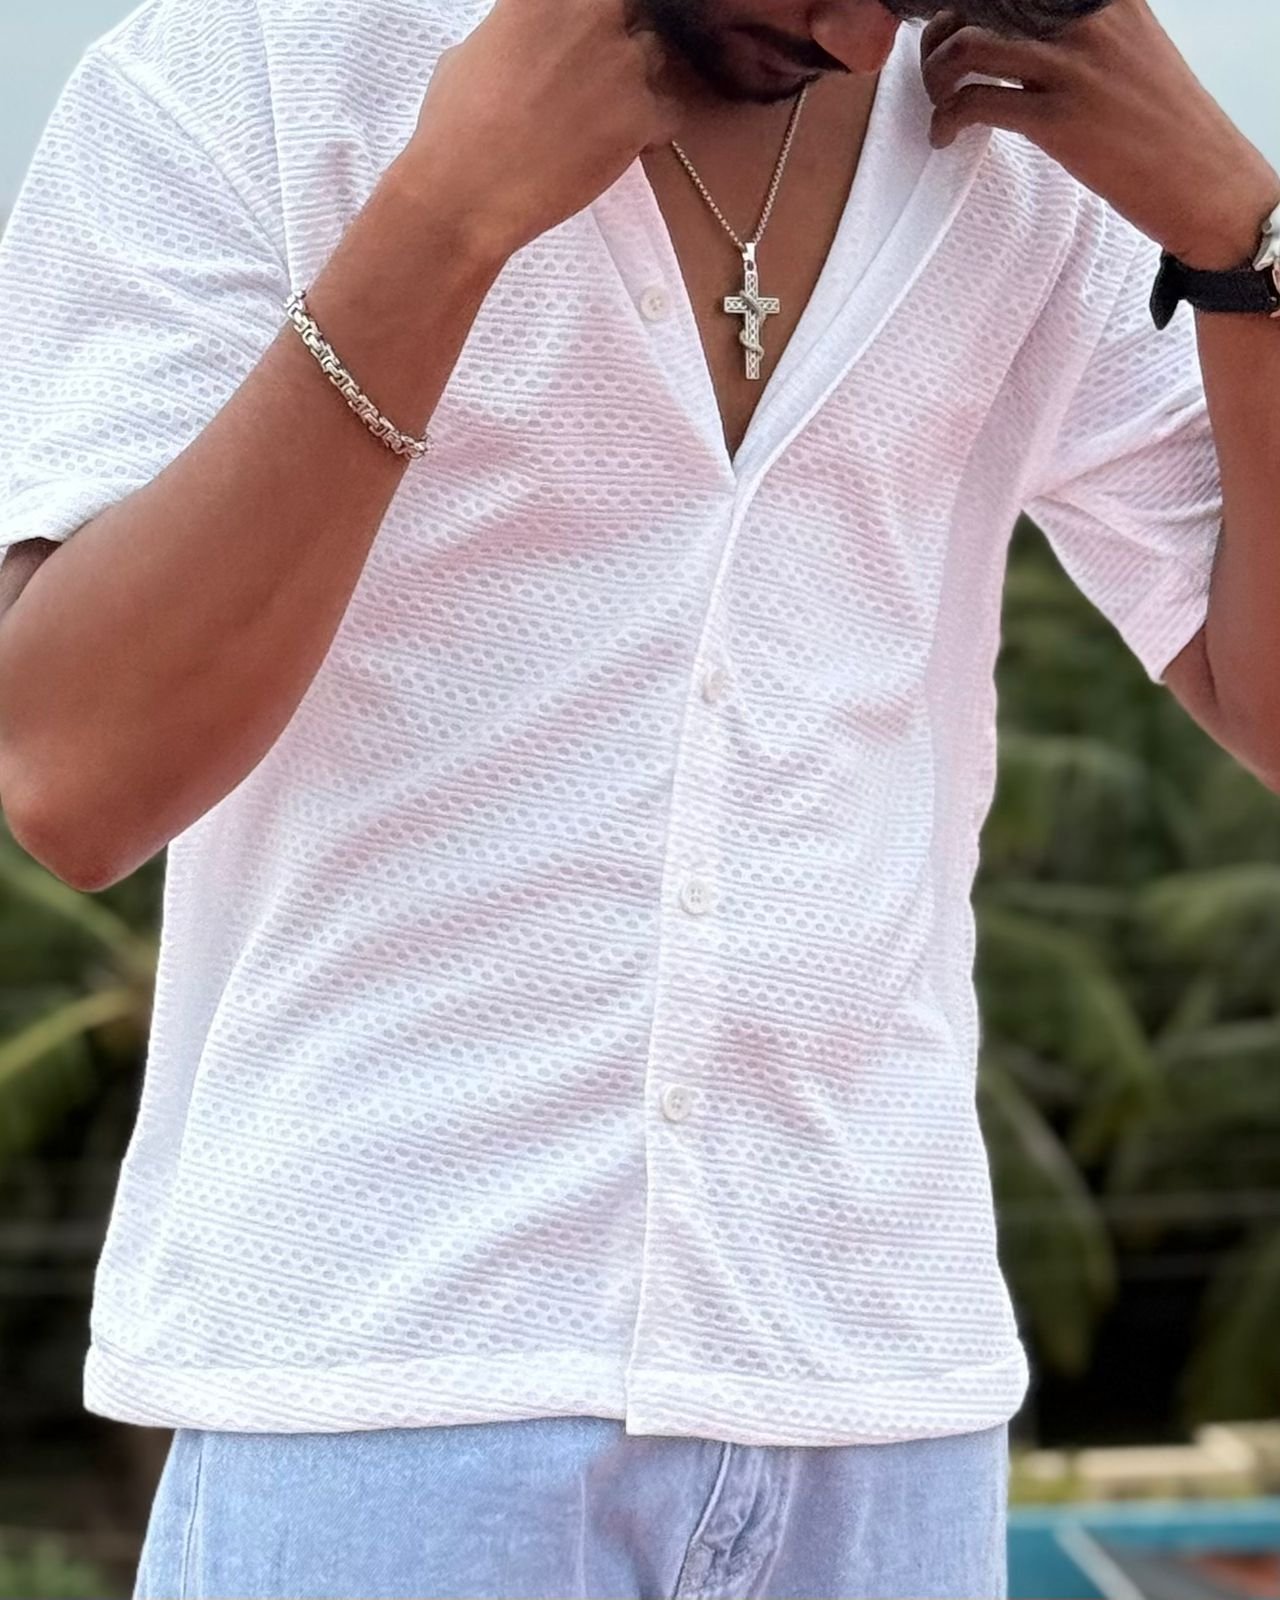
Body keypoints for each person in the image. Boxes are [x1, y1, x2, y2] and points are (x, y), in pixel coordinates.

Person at [0, 0, 1277, 1593]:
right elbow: (74, 777)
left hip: (880, 1395)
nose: (858, 29)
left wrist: (1244, 239)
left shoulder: (1024, 111)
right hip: (381, 1384)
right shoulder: (255, 62)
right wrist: (446, 216)